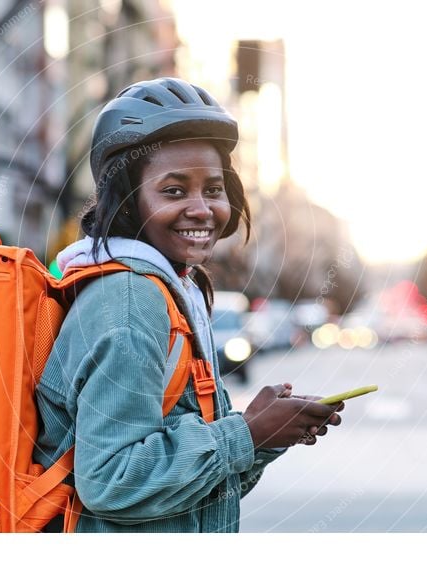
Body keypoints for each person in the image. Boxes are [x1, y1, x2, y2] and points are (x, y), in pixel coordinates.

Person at [33, 77, 343, 532]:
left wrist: (261, 435)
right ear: (128, 201)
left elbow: (188, 495)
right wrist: (248, 433)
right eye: (173, 191)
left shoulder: (166, 293)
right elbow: (113, 482)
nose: (202, 209)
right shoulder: (130, 304)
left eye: (213, 189)